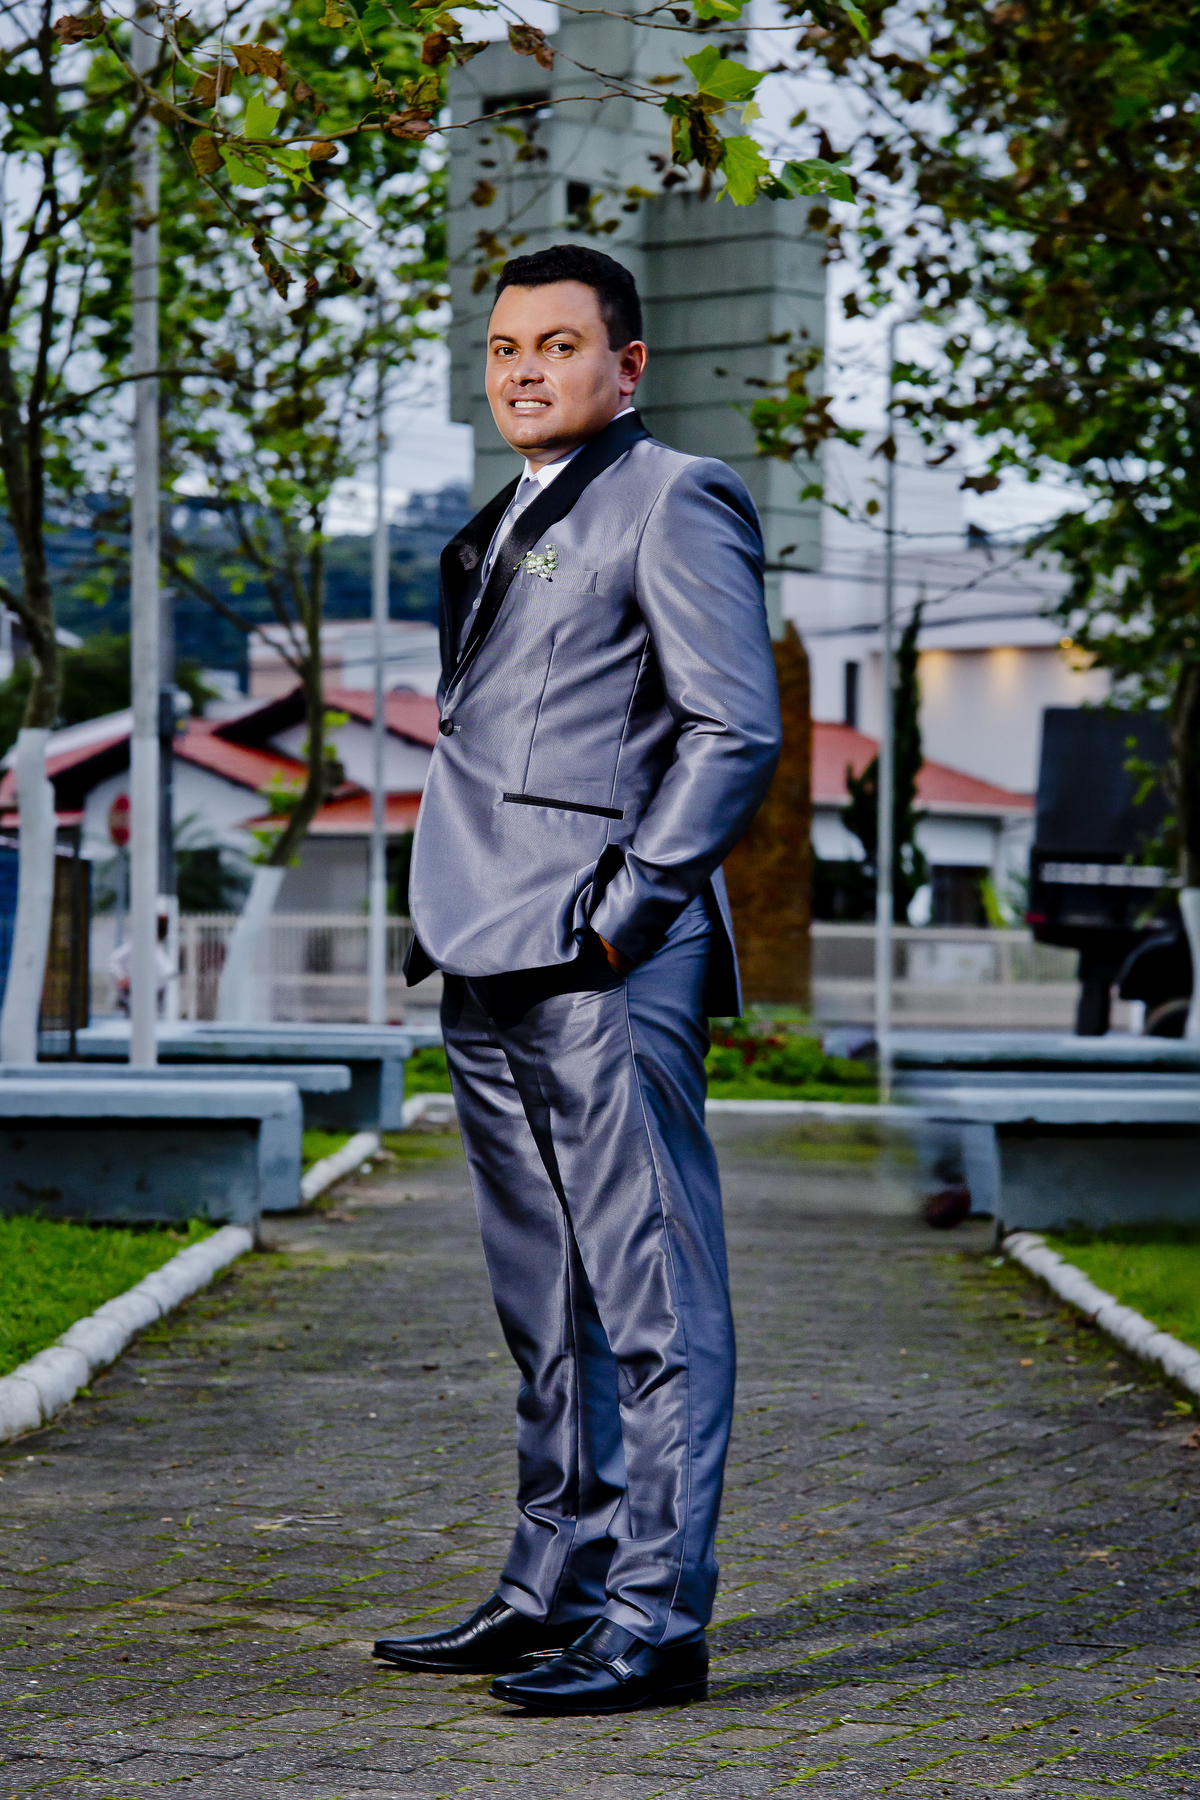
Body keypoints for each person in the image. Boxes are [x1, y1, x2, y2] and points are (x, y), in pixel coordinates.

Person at [374, 244, 782, 1716]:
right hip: (483, 946)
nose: (524, 371)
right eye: (504, 348)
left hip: (605, 955)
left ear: (628, 364)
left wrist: (627, 912)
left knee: (652, 1292)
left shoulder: (674, 496)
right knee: (545, 1296)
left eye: (557, 344)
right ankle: (556, 1581)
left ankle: (657, 1618)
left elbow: (733, 729)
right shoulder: (505, 519)